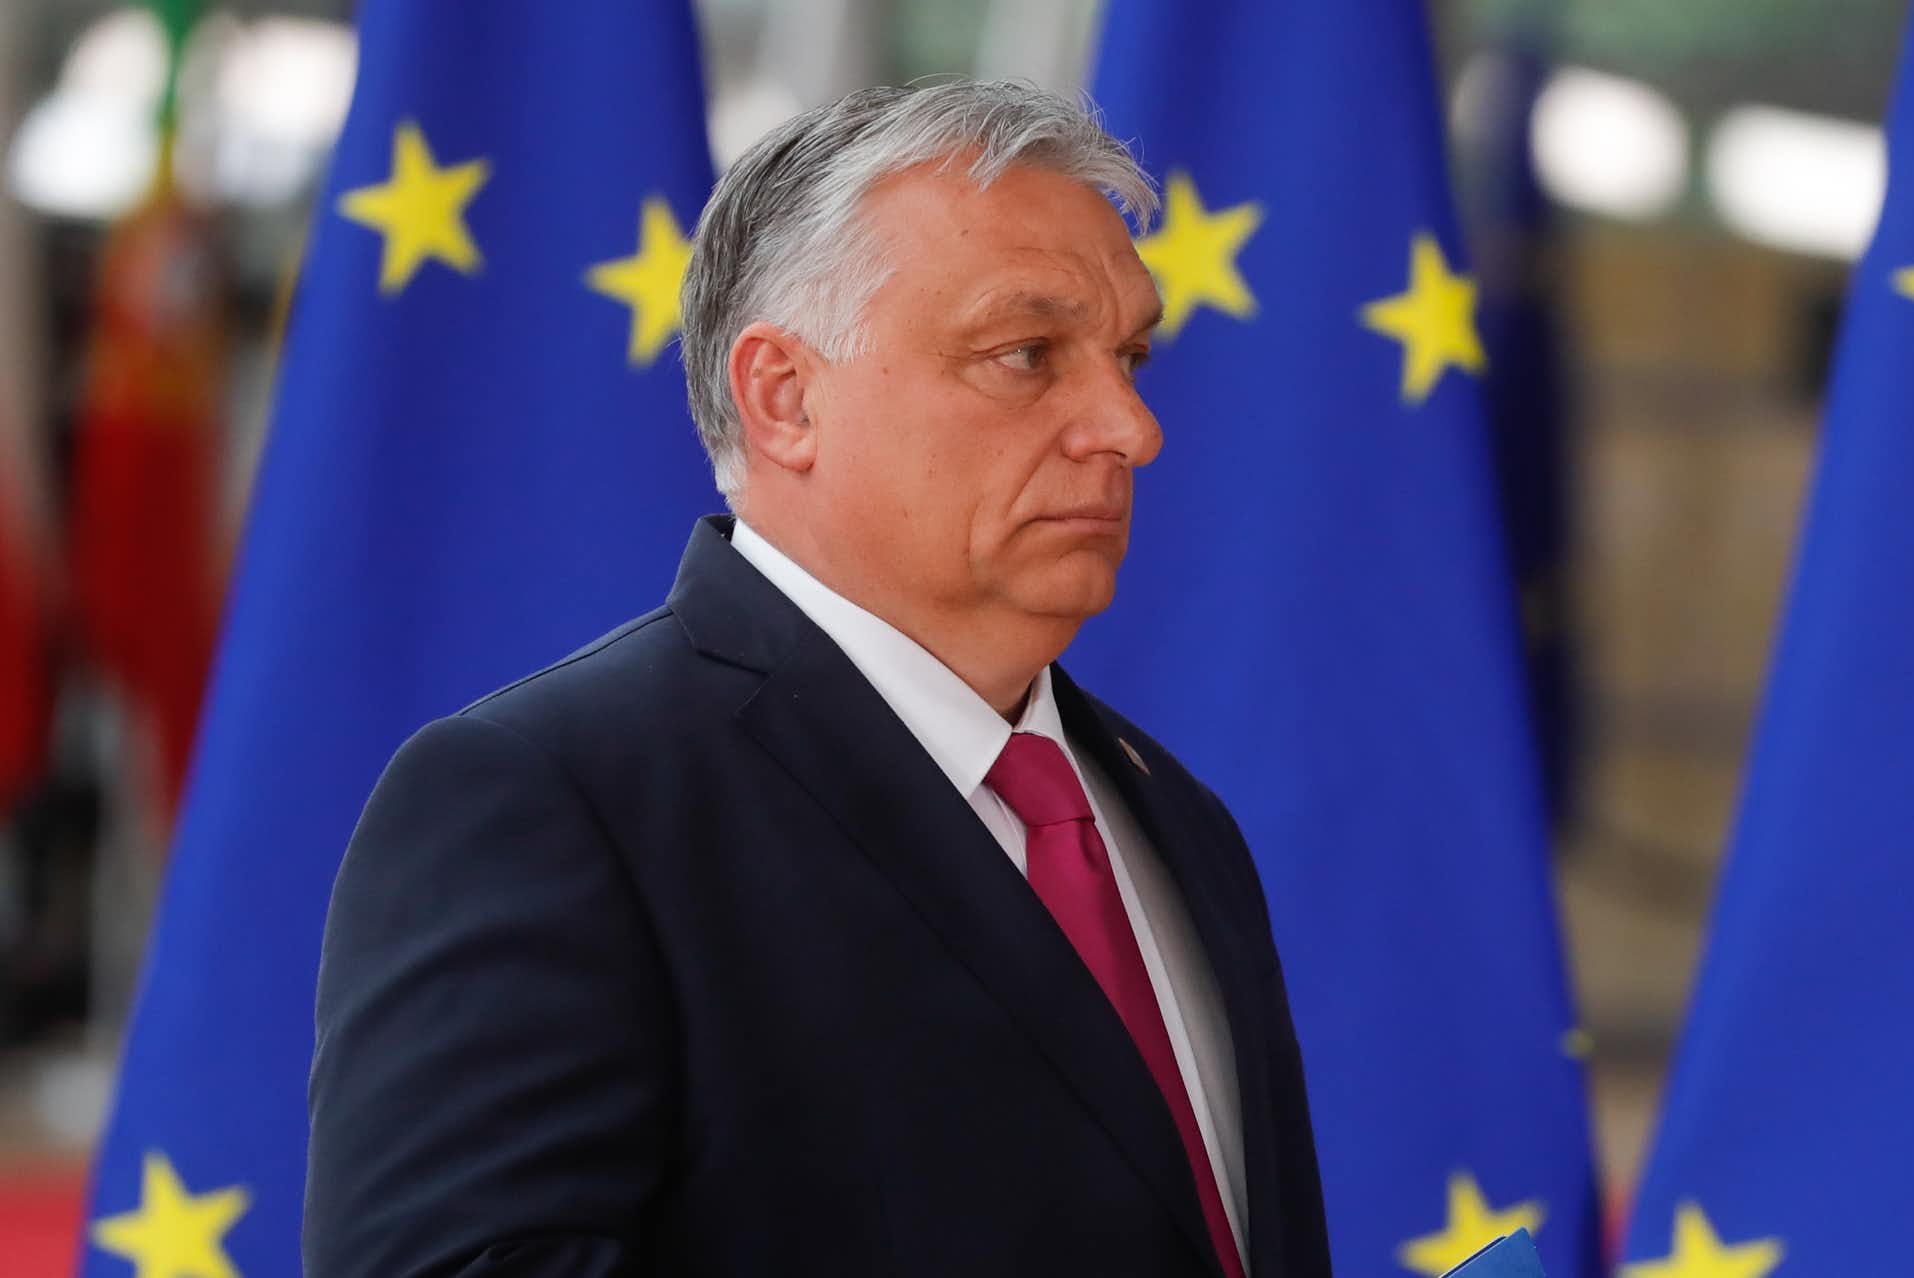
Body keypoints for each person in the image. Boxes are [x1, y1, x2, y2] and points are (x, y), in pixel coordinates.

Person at [304, 82, 1330, 1277]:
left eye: (1130, 355)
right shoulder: (552, 802)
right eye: (1026, 354)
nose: (1127, 426)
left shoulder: (1174, 819)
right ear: (784, 398)